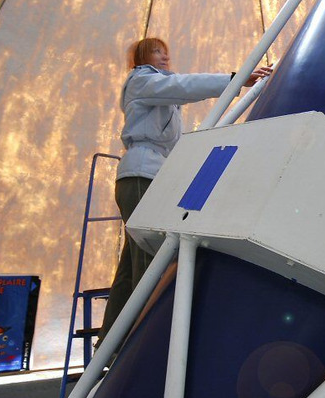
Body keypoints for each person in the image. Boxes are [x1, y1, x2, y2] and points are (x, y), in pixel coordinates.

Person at [97, 37, 272, 346]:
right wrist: (235, 79)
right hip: (141, 175)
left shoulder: (161, 92)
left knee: (129, 267)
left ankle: (110, 345)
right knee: (148, 262)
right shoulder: (143, 81)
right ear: (142, 58)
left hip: (152, 176)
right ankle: (142, 343)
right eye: (157, 52)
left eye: (166, 52)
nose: (165, 57)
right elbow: (186, 85)